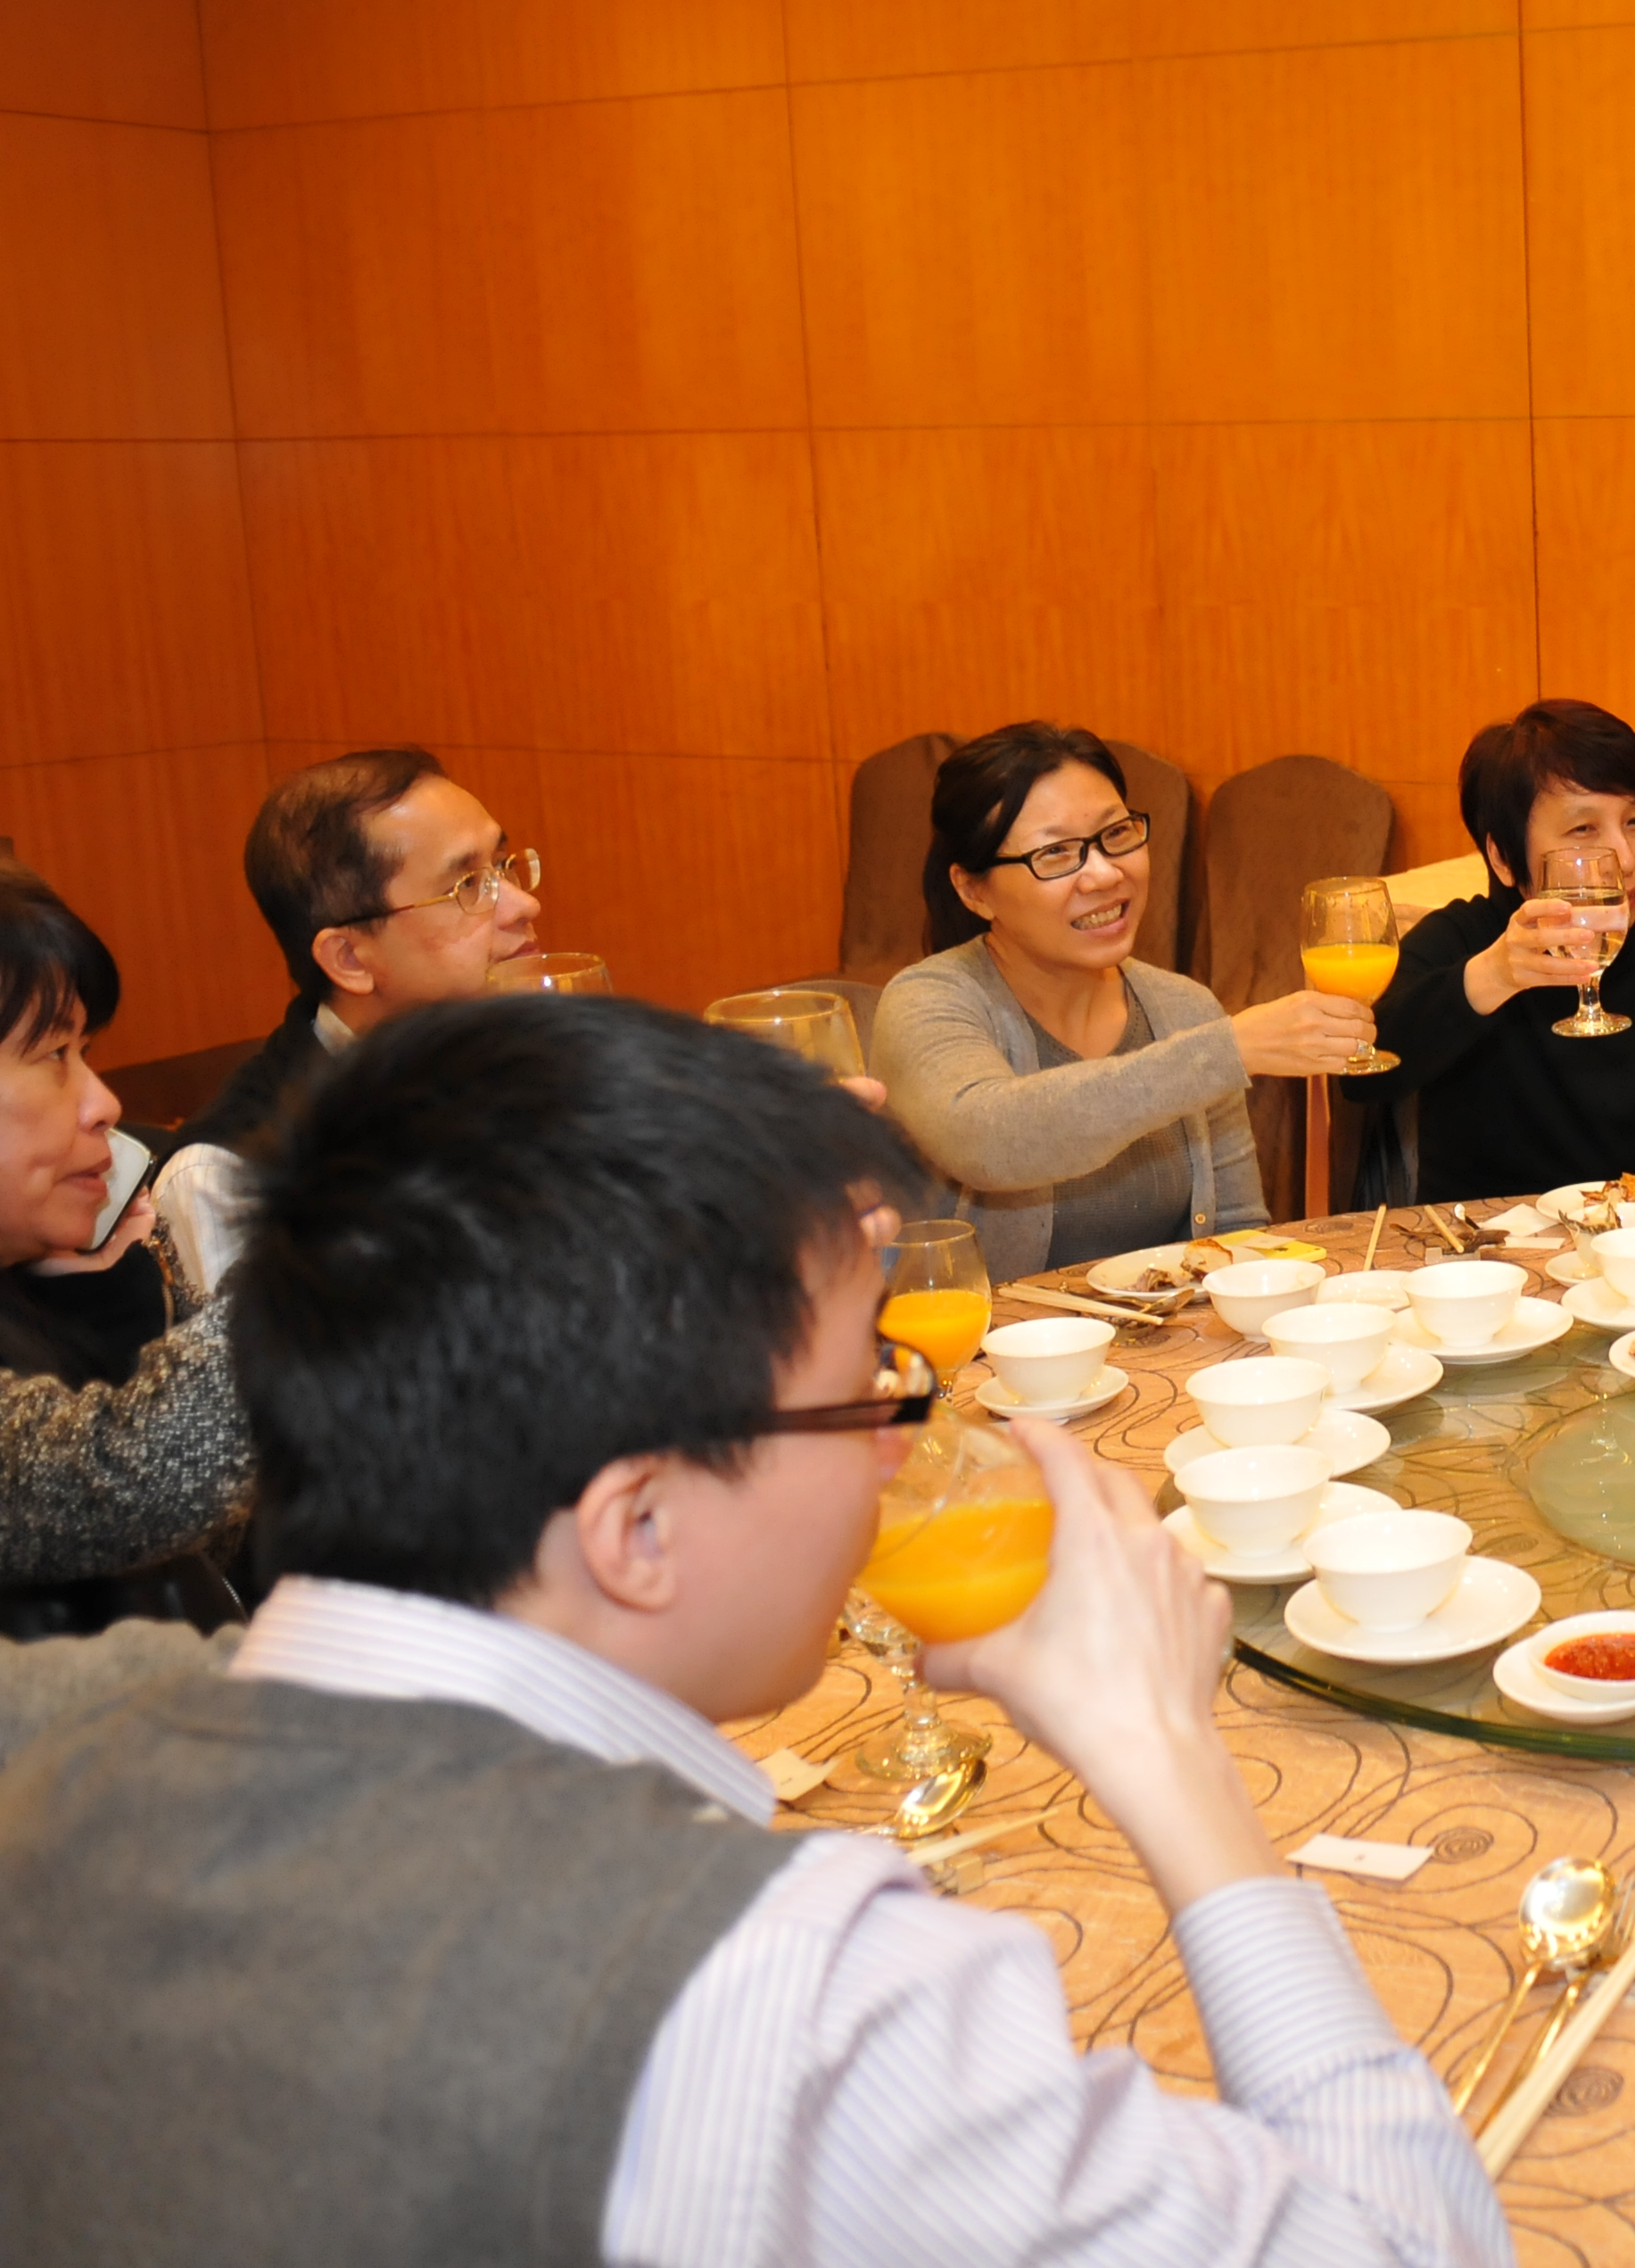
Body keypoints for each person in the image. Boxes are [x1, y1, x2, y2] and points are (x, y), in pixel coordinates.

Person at [0, 996, 1511, 2265]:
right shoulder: (792, 1991)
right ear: (638, 1528)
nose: (903, 1453)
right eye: (866, 1394)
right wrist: (1167, 1753)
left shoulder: (60, 1732)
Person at [874, 723, 1367, 1279]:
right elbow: (987, 1140)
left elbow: (1236, 1231)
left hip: (1168, 1333)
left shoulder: (1184, 1010)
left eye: (1116, 834)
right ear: (973, 890)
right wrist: (1223, 1052)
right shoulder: (928, 1001)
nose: (1105, 873)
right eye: (1055, 853)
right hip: (987, 1334)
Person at [148, 748, 543, 1290]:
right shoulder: (228, 1179)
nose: (523, 905)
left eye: (500, 866)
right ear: (350, 959)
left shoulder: (536, 1069)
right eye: (467, 886)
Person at [0, 862, 247, 1634]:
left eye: (86, 1053)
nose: (104, 1103)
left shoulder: (49, 1277)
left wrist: (118, 1318)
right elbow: (123, 1482)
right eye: (54, 1054)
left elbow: (213, 1546)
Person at [1370, 700, 1635, 1200]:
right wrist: (1492, 978)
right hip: (1473, 1243)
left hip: (1632, 1239)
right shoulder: (1460, 941)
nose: (1625, 859)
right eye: (1584, 829)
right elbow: (1363, 1076)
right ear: (1503, 858)